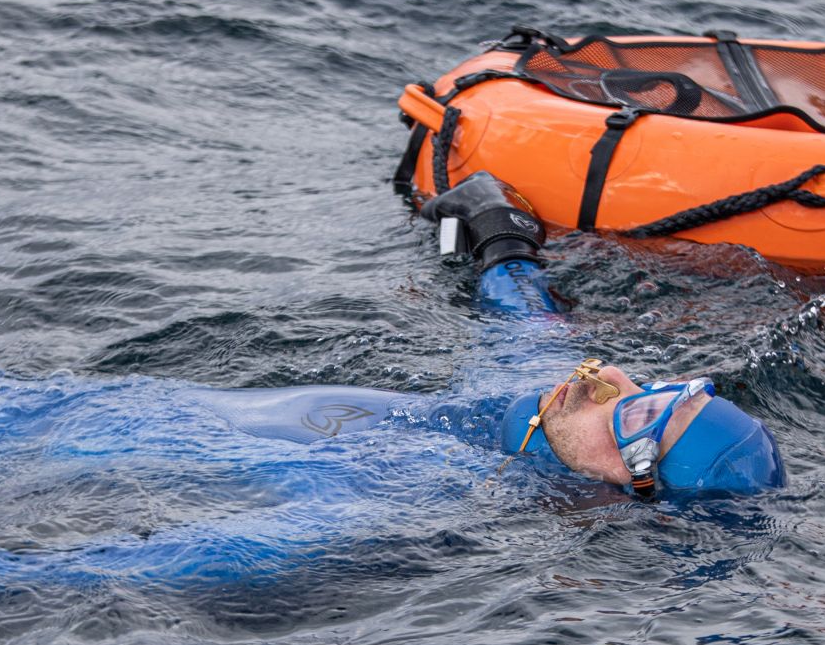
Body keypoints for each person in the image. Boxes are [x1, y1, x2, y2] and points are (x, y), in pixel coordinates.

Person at [190, 171, 786, 499]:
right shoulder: (532, 394)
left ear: (630, 488)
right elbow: (519, 302)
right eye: (655, 386)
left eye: (639, 415)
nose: (607, 377)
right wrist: (502, 234)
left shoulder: (415, 503)